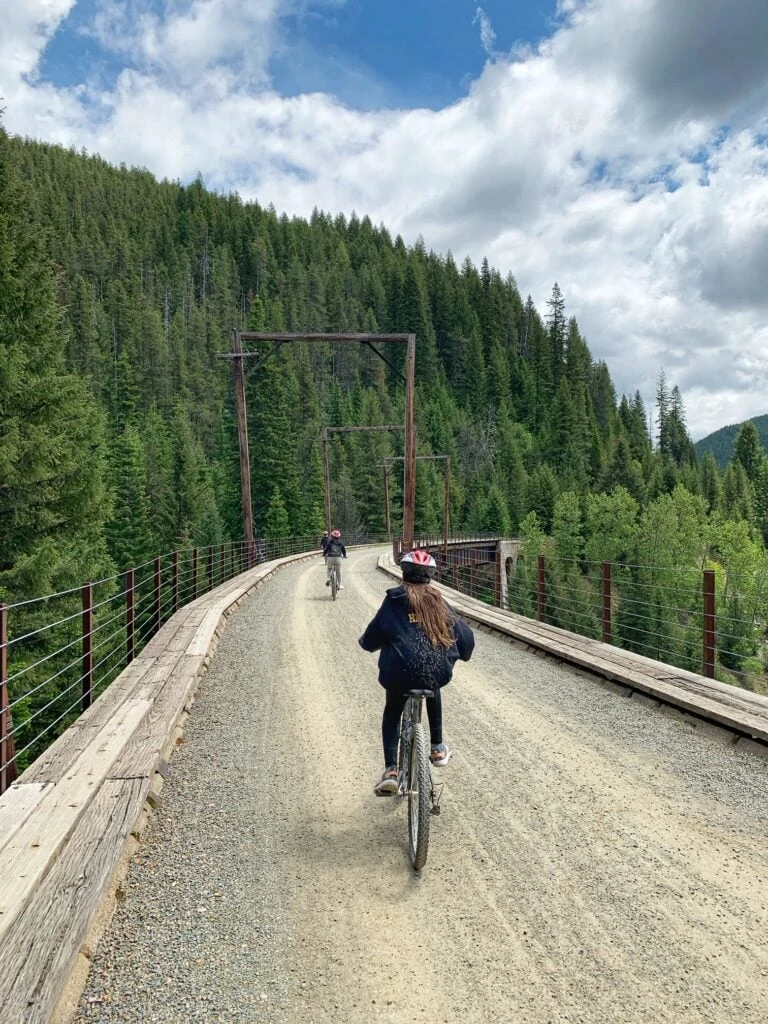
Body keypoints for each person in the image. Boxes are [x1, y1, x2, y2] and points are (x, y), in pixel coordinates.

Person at [358, 549, 474, 796]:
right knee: (432, 682)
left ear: (404, 573)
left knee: (392, 711)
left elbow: (371, 638)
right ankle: (437, 748)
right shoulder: (440, 603)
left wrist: (369, 643)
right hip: (436, 672)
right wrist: (461, 653)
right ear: (430, 576)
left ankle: (391, 770)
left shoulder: (395, 600)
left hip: (399, 674)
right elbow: (465, 639)